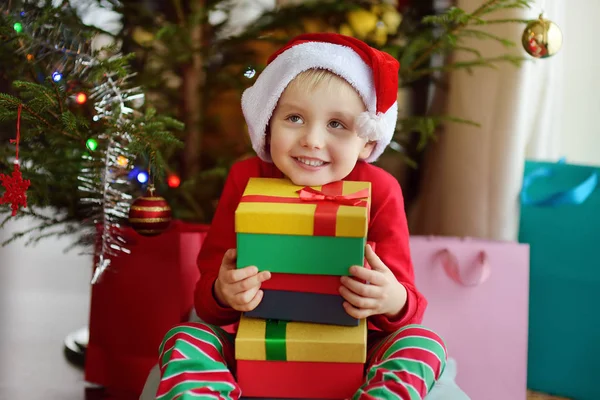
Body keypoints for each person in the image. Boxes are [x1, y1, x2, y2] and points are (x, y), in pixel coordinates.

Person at [154, 33, 447, 400]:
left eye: (337, 124)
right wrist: (223, 290)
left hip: (355, 354)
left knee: (424, 344)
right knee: (184, 337)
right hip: (253, 344)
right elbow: (207, 296)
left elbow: (408, 306)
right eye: (294, 117)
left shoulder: (381, 191)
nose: (312, 139)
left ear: (368, 141)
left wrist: (392, 300)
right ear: (267, 122)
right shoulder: (246, 178)